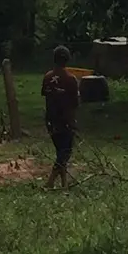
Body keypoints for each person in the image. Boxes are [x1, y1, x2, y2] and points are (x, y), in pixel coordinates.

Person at [40, 46, 81, 189]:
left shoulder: (47, 77)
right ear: (68, 59)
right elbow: (75, 103)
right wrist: (73, 122)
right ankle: (50, 182)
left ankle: (64, 184)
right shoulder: (71, 79)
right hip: (65, 120)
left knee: (60, 151)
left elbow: (46, 95)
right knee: (65, 152)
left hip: (51, 119)